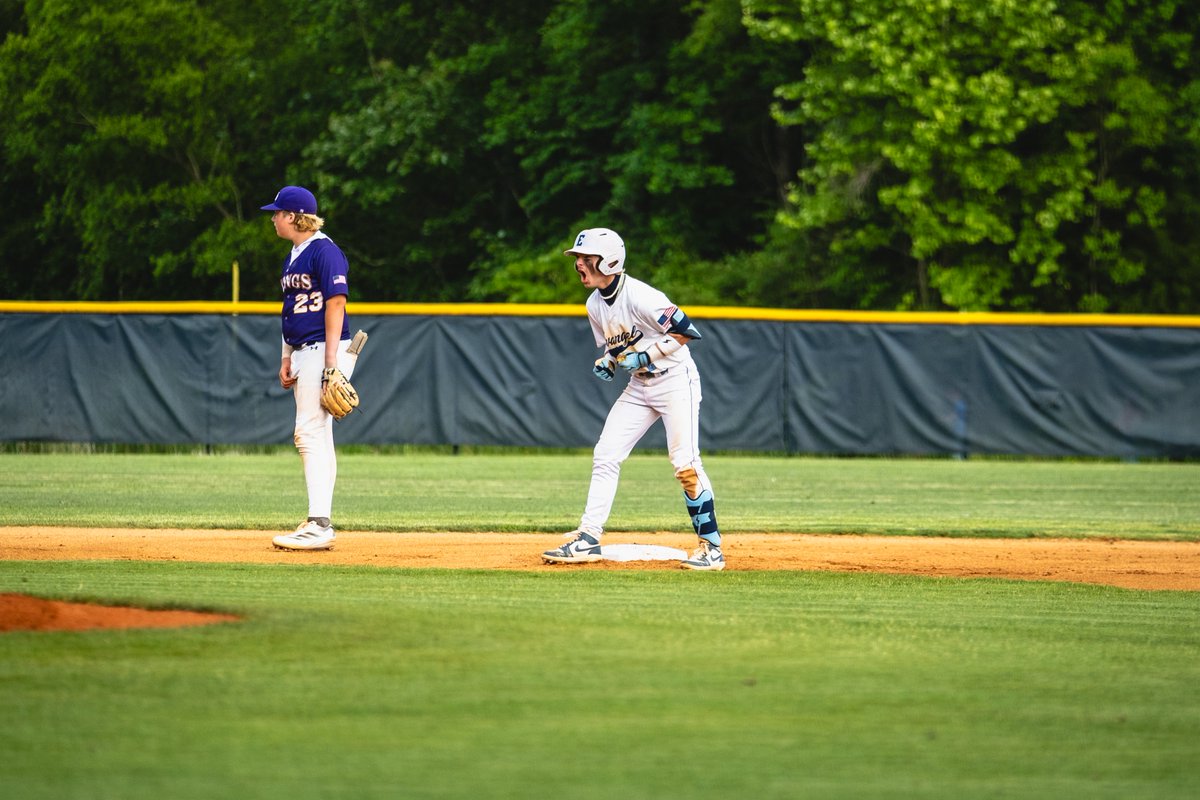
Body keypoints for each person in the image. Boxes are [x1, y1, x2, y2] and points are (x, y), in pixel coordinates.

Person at [542, 228, 725, 570]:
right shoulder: (595, 303)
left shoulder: (641, 295)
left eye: (586, 257)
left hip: (675, 381)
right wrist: (609, 361)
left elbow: (686, 330)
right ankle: (588, 537)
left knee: (684, 464)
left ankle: (711, 548)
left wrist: (646, 356)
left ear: (608, 261)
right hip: (640, 387)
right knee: (606, 454)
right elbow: (619, 346)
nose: (579, 263)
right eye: (578, 258)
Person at [261, 185, 355, 551]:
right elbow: (291, 307)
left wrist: (331, 363)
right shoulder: (294, 254)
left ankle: (319, 523)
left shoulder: (325, 250)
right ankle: (320, 519)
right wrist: (286, 356)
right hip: (304, 349)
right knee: (318, 435)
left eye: (278, 212)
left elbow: (336, 305)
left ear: (295, 217)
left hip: (323, 349)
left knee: (308, 433)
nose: (273, 218)